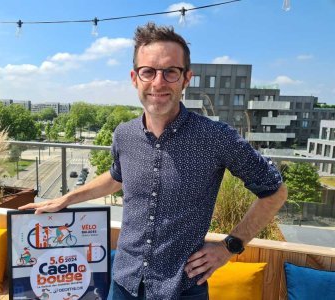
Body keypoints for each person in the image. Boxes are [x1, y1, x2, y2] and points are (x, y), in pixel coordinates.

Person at [20, 22, 287, 300]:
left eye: (170, 72)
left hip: (183, 288)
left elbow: (275, 192)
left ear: (186, 79)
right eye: (148, 71)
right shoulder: (124, 134)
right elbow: (116, 176)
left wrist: (230, 246)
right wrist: (67, 199)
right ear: (135, 78)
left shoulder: (216, 137)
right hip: (123, 282)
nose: (158, 82)